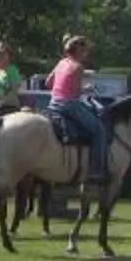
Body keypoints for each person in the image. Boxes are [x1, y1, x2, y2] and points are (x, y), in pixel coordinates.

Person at [46, 35, 114, 186]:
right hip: (69, 106)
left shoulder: (61, 63)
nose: (86, 54)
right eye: (85, 50)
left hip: (53, 104)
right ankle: (97, 171)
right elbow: (76, 93)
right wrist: (87, 88)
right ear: (78, 50)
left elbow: (48, 82)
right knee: (99, 130)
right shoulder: (77, 67)